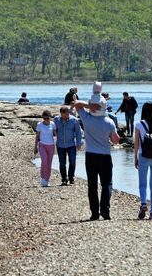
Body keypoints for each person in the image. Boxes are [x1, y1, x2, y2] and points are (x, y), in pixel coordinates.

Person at [72, 86, 121, 220]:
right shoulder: (109, 122)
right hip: (105, 156)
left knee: (92, 185)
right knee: (107, 184)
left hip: (91, 155)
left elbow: (76, 104)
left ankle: (94, 213)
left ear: (93, 107)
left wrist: (88, 106)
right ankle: (104, 209)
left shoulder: (87, 118)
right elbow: (115, 141)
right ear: (104, 107)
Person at [54, 105, 82, 185]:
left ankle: (71, 177)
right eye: (62, 116)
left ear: (68, 113)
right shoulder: (56, 119)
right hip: (60, 145)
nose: (64, 117)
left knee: (72, 162)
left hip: (71, 145)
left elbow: (78, 132)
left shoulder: (74, 120)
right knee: (62, 163)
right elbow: (53, 129)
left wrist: (78, 143)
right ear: (60, 113)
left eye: (65, 115)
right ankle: (64, 179)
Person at [34, 110, 56, 187]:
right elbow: (37, 136)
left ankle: (47, 180)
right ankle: (43, 178)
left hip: (51, 146)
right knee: (44, 160)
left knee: (49, 163)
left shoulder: (53, 124)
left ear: (50, 117)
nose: (46, 119)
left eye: (48, 118)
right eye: (45, 118)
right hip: (42, 145)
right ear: (43, 118)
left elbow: (56, 134)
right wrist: (35, 147)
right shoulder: (39, 125)